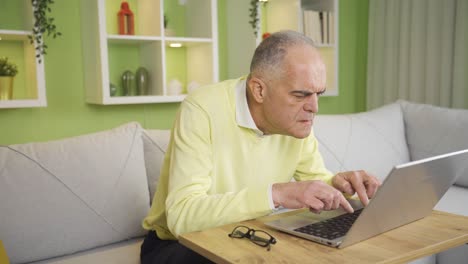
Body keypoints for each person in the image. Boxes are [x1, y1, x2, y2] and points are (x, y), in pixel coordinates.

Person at [140, 30, 381, 263]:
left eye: (318, 94)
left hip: (247, 234)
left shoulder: (297, 121)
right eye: (301, 95)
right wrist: (277, 194)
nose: (314, 107)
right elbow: (182, 217)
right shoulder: (201, 109)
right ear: (259, 90)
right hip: (178, 244)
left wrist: (339, 185)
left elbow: (315, 181)